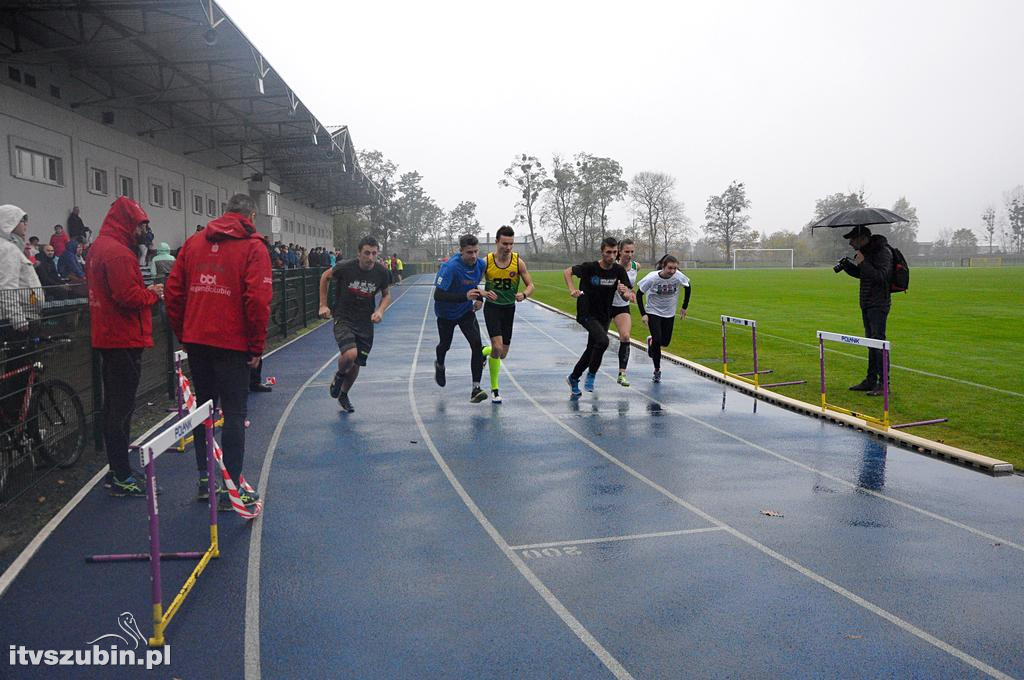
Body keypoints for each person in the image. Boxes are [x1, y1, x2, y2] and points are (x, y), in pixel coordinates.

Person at [165, 193, 272, 508]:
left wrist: (185, 332)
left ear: (225, 212)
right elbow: (258, 300)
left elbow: (173, 292)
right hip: (233, 343)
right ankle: (231, 488)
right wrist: (256, 346)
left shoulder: (194, 242)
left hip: (198, 340)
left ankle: (205, 480)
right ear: (250, 216)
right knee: (235, 412)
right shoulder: (253, 246)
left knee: (204, 410)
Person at [86, 197, 164, 497]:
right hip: (122, 337)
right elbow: (127, 296)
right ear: (129, 223)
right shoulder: (118, 253)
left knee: (115, 407)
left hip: (111, 336)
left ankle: (118, 470)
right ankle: (120, 474)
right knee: (120, 408)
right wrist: (153, 294)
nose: (145, 229)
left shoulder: (101, 248)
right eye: (142, 224)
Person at [317, 235, 391, 413]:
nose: (370, 257)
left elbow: (387, 295)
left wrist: (380, 311)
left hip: (365, 322)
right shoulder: (345, 267)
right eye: (367, 253)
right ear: (359, 253)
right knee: (350, 354)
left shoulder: (381, 272)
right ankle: (339, 376)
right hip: (344, 317)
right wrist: (323, 305)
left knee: (357, 363)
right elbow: (324, 277)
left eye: (374, 253)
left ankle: (343, 394)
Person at [563, 237, 635, 398]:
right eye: (608, 252)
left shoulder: (618, 271)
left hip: (605, 314)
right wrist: (572, 289)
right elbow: (567, 272)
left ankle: (574, 377)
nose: (612, 255)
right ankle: (592, 374)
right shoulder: (590, 267)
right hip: (587, 313)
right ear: (602, 252)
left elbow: (625, 295)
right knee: (603, 341)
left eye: (615, 252)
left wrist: (625, 293)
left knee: (592, 349)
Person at [481, 225, 534, 403]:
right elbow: (474, 284)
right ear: (497, 242)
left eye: (511, 244)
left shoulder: (518, 262)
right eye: (504, 243)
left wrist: (524, 294)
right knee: (497, 347)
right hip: (492, 308)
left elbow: (530, 285)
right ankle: (495, 389)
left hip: (509, 308)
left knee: (502, 353)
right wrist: (482, 296)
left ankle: (484, 351)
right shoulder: (486, 262)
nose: (508, 247)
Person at [839, 225, 893, 397]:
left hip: (879, 303)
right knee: (871, 343)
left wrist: (863, 263)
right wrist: (848, 266)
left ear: (863, 238)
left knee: (878, 343)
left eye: (853, 239)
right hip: (867, 303)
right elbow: (864, 275)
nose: (850, 242)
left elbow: (881, 277)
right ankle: (871, 380)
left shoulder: (883, 252)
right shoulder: (867, 253)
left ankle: (884, 384)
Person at [433, 235, 489, 403]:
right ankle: (440, 364)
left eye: (476, 252)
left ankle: (475, 388)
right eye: (469, 252)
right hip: (446, 313)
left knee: (477, 345)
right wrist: (465, 296)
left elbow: (476, 286)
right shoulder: (450, 267)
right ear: (461, 251)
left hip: (466, 311)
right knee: (445, 345)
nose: (473, 256)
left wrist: (479, 299)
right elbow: (438, 294)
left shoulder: (480, 265)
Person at [637, 255, 691, 383]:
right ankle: (657, 370)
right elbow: (639, 294)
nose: (672, 271)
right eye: (670, 268)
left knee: (665, 342)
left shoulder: (678, 276)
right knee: (658, 340)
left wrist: (684, 306)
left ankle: (651, 341)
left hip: (669, 312)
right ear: (663, 266)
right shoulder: (652, 278)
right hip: (653, 311)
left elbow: (688, 286)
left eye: (675, 268)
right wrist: (643, 314)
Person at [0, 206, 44, 338]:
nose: (26, 224)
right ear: (9, 222)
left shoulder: (11, 246)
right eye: (22, 220)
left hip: (22, 315)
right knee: (23, 358)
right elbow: (7, 285)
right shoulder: (8, 248)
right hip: (20, 319)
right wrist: (17, 318)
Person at [610, 238, 640, 386]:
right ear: (620, 252)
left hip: (622, 306)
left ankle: (622, 374)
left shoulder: (636, 266)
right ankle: (591, 372)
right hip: (606, 305)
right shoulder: (611, 266)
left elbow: (631, 287)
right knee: (598, 341)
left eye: (632, 251)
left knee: (626, 336)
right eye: (626, 251)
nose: (629, 254)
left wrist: (631, 293)